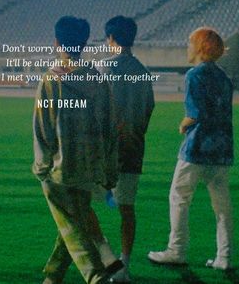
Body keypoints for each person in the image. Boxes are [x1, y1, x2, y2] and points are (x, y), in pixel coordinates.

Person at [33, 16, 119, 284]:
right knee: (75, 222)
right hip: (90, 166)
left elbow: (43, 128)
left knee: (71, 225)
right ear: (84, 43)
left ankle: (96, 276)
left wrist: (41, 165)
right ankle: (53, 276)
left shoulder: (51, 80)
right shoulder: (97, 80)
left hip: (59, 168)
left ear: (57, 42)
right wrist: (109, 168)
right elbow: (109, 127)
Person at [148, 27, 234, 271]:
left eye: (189, 43)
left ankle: (177, 250)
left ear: (200, 48)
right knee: (222, 207)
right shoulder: (224, 78)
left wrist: (182, 125)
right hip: (222, 149)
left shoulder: (194, 75)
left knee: (179, 198)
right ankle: (224, 257)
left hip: (196, 149)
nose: (187, 48)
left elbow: (194, 114)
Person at [97, 16, 155, 283]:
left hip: (103, 152)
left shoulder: (104, 69)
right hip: (132, 148)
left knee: (82, 207)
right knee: (127, 209)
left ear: (111, 38)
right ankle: (124, 265)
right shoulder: (142, 71)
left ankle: (104, 259)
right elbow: (148, 108)